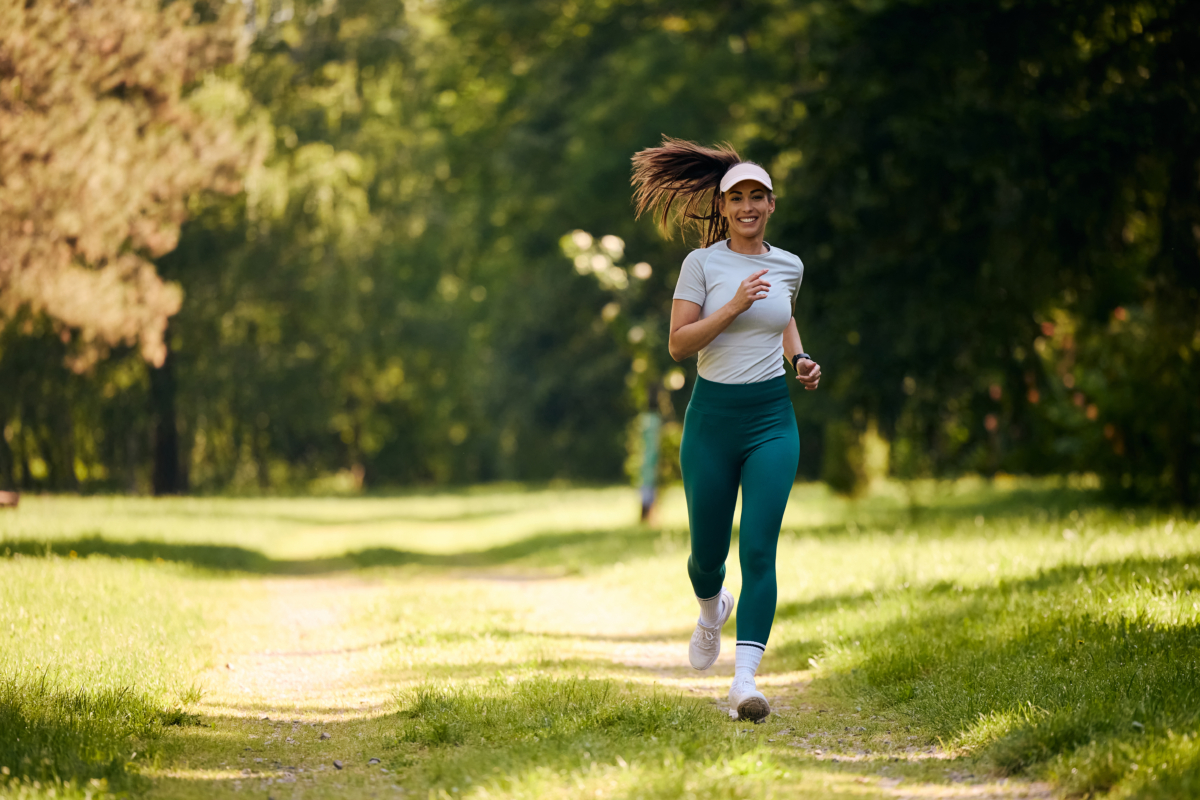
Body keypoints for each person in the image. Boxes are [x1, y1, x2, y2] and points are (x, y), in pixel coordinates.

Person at [631, 137, 821, 722]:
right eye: (736, 197)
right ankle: (711, 607)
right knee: (706, 556)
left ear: (770, 205)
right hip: (712, 422)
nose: (747, 206)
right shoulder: (702, 264)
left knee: (760, 547)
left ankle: (744, 684)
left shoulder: (789, 264)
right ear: (723, 205)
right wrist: (732, 305)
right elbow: (677, 345)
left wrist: (800, 359)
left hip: (770, 420)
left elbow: (783, 316)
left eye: (757, 197)